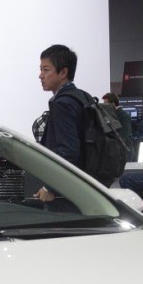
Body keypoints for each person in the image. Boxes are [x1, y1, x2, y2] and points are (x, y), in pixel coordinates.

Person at [36, 44, 86, 202]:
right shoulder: (82, 97)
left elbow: (69, 151)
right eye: (40, 69)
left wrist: (50, 187)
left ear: (63, 72)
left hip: (67, 191)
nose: (40, 75)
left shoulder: (62, 103)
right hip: (84, 183)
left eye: (46, 69)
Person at [102, 92, 135, 162]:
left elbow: (123, 135)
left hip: (124, 152)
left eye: (106, 104)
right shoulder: (109, 115)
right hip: (115, 151)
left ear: (113, 103)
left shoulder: (124, 116)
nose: (104, 106)